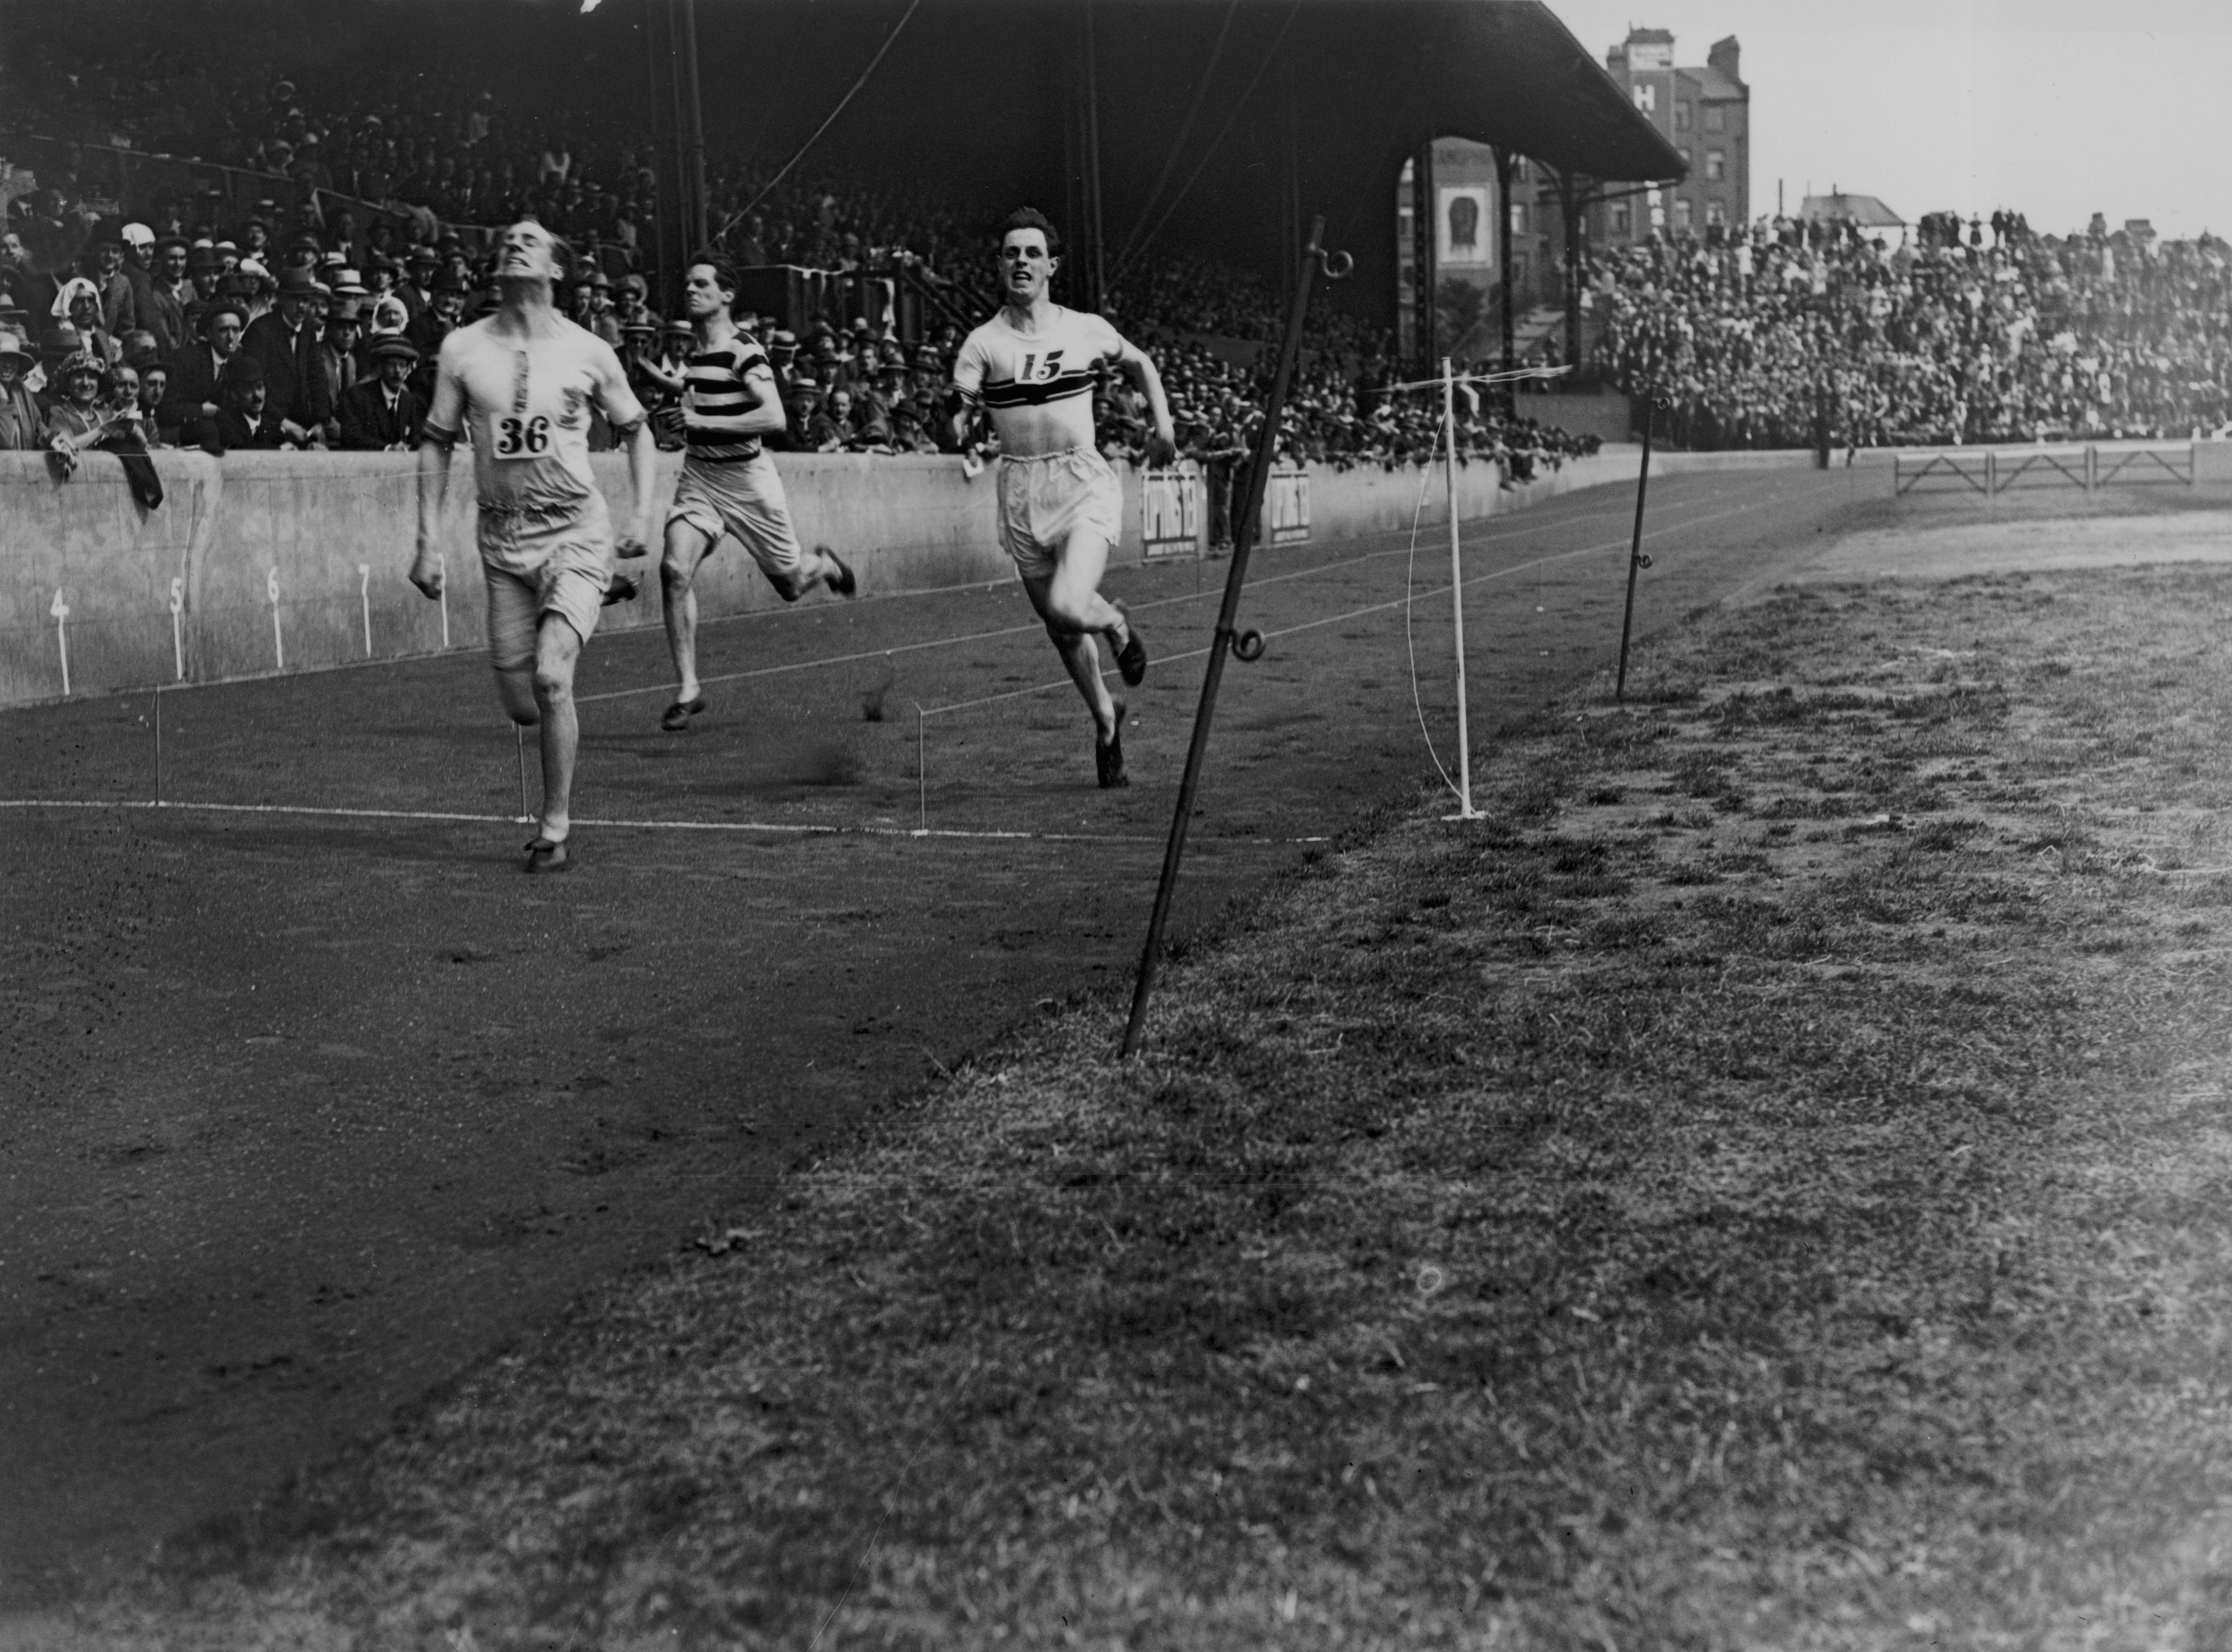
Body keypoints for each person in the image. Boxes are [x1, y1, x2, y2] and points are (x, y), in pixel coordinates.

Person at [410, 219, 657, 874]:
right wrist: (428, 542)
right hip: (500, 538)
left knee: (552, 679)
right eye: (508, 239)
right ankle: (589, 595)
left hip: (575, 529)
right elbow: (436, 441)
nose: (514, 243)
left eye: (531, 239)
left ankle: (555, 828)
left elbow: (637, 428)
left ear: (556, 267)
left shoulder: (590, 350)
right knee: (522, 705)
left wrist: (642, 512)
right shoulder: (462, 348)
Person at [950, 208, 1168, 787]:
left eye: (1031, 252)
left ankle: (1118, 625)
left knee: (1073, 604)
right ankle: (1106, 723)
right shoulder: (982, 344)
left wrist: (1163, 426)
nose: (1021, 261)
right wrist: (950, 423)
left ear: (1052, 264)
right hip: (1021, 489)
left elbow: (1142, 363)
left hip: (1082, 484)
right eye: (1010, 253)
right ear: (999, 265)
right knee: (1062, 629)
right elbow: (958, 407)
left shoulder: (1085, 328)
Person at [655, 253, 856, 732]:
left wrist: (700, 420)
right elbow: (700, 402)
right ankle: (688, 688)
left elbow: (773, 418)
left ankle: (823, 565)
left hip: (748, 482)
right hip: (701, 478)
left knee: (789, 586)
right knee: (672, 569)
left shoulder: (745, 349)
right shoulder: (695, 355)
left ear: (727, 295)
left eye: (702, 283)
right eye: (687, 283)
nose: (691, 290)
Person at [338, 334, 424, 450]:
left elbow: (416, 437)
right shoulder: (358, 396)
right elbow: (351, 437)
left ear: (408, 370)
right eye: (392, 365)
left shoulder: (409, 400)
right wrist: (387, 448)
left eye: (402, 365)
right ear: (381, 367)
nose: (397, 371)